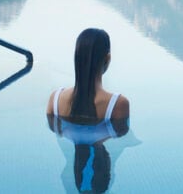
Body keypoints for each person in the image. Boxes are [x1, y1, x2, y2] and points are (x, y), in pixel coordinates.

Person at [47, 28, 130, 192]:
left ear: (77, 57)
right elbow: (121, 133)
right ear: (108, 58)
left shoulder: (54, 100)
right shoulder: (117, 105)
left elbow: (54, 128)